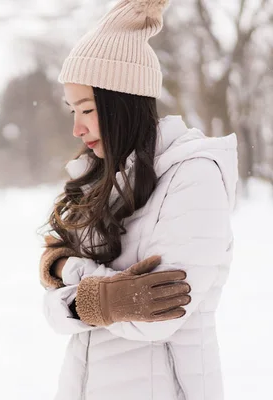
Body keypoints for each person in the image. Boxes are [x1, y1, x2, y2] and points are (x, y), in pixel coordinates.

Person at [37, 1, 238, 400]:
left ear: (121, 102)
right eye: (72, 110)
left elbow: (158, 317)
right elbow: (52, 307)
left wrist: (71, 279)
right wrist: (102, 298)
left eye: (88, 109)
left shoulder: (193, 177)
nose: (77, 128)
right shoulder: (100, 177)